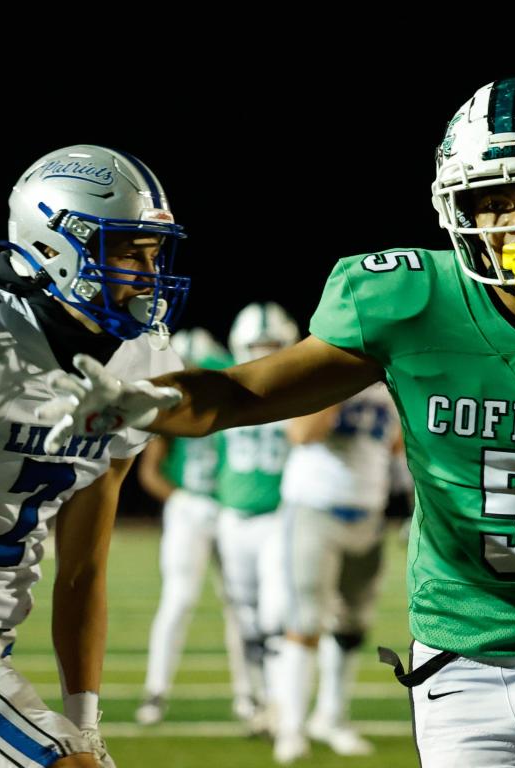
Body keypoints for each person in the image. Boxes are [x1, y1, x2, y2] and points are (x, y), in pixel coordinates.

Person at [39, 78, 515, 767]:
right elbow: (244, 393)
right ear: (456, 204)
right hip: (461, 663)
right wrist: (154, 400)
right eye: (493, 201)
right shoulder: (408, 300)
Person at [0, 145, 187, 767]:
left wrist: (85, 720)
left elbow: (82, 572)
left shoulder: (142, 362)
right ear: (53, 244)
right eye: (127, 251)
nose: (147, 273)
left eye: (153, 253)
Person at [134, 328, 257, 729]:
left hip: (231, 510)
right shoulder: (173, 407)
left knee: (241, 606)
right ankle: (156, 691)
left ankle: (248, 695)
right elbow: (150, 472)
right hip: (189, 511)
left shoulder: (232, 400)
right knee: (179, 600)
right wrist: (182, 499)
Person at [272, 383, 400, 763]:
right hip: (315, 508)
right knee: (306, 620)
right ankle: (291, 727)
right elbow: (302, 433)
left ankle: (331, 717)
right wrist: (342, 385)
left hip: (370, 514)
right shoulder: (332, 373)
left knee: (353, 624)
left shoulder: (391, 380)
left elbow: (397, 447)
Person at [214, 302, 299, 736]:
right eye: (256, 345)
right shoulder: (223, 380)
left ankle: (282, 706)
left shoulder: (299, 386)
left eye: (272, 346)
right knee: (244, 618)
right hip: (232, 515)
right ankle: (254, 699)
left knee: (275, 615)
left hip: (278, 516)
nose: (263, 353)